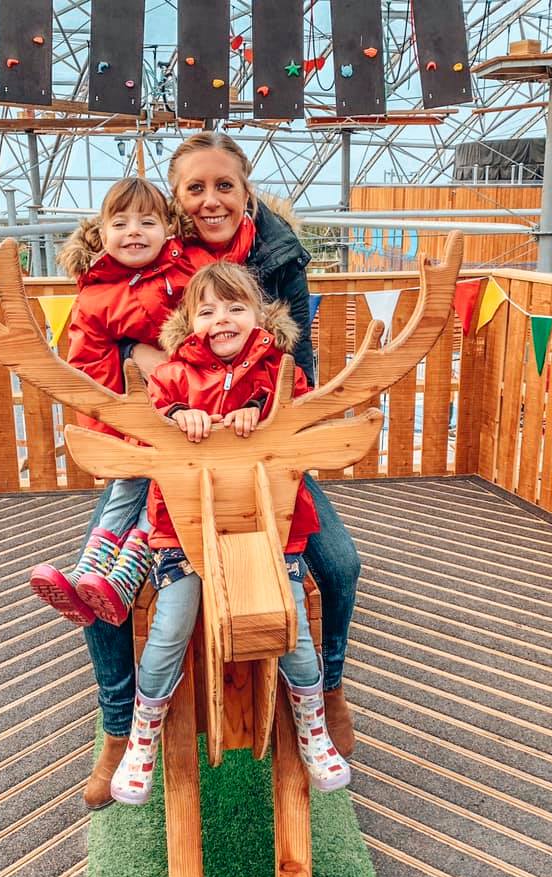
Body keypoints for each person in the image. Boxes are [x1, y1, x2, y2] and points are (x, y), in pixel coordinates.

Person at [81, 133, 360, 810]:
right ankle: (121, 728)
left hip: (256, 444)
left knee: (341, 563)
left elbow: (304, 363)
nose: (211, 201)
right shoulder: (155, 261)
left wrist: (260, 409)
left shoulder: (278, 256)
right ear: (176, 203)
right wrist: (171, 396)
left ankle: (326, 688)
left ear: (246, 189)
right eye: (195, 189)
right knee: (98, 580)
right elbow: (120, 350)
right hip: (172, 444)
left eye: (223, 186)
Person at [110, 262, 350, 804]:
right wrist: (178, 417)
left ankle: (313, 726)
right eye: (209, 310)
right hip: (184, 528)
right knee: (170, 622)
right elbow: (149, 424)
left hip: (268, 530)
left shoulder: (278, 370)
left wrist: (257, 415)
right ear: (190, 322)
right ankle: (141, 737)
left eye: (236, 307)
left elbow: (299, 416)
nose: (224, 319)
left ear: (258, 315)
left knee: (289, 618)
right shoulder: (171, 375)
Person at [28, 178, 196, 628]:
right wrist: (134, 380)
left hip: (184, 413)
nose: (133, 231)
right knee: (126, 491)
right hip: (131, 418)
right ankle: (88, 571)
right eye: (120, 223)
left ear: (169, 230)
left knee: (158, 498)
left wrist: (173, 372)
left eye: (147, 221)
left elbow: (203, 336)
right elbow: (86, 363)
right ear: (101, 232)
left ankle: (123, 578)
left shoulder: (184, 276)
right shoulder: (94, 292)